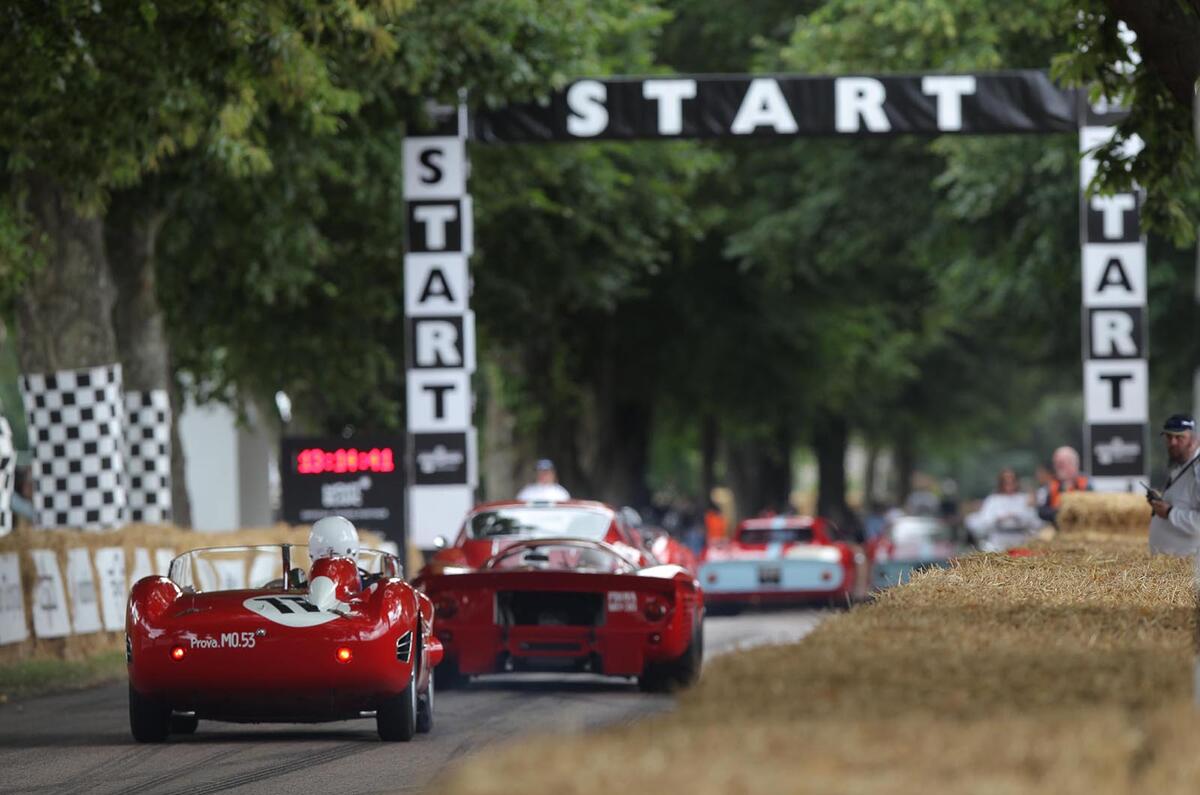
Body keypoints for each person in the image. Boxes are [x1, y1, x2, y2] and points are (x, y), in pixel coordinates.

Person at [1147, 414, 1200, 555]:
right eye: (1169, 437)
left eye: (1180, 437)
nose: (1172, 442)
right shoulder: (1181, 465)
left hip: (1187, 568)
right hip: (1170, 566)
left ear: (1195, 440)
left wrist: (1170, 513)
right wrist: (1159, 501)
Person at [965, 468, 1040, 550]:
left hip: (1020, 539)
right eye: (1006, 482)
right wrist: (998, 518)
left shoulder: (1024, 498)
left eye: (1012, 481)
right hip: (998, 540)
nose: (1009, 485)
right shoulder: (993, 500)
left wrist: (1017, 517)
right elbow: (984, 521)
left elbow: (1034, 521)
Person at [1036, 446, 1091, 526]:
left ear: (1074, 463)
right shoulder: (1050, 486)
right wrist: (1061, 512)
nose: (1057, 468)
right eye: (1056, 464)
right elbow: (1042, 511)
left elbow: (1092, 510)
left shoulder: (1086, 483)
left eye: (1061, 464)